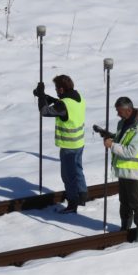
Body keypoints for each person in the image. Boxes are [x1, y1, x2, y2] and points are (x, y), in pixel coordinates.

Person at [34, 74, 89, 213]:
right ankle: (82, 195)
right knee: (78, 169)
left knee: (68, 176)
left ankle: (72, 204)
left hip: (68, 146)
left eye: (57, 89)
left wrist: (41, 96)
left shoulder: (64, 104)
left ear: (61, 90)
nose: (56, 91)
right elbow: (60, 103)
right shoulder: (78, 97)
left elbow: (45, 111)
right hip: (79, 143)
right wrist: (44, 96)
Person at [103, 96, 138, 242]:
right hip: (123, 171)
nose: (117, 114)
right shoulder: (123, 123)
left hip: (134, 173)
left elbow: (131, 151)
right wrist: (110, 137)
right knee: (124, 202)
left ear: (128, 110)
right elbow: (122, 140)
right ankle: (125, 227)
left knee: (136, 204)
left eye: (119, 111)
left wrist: (112, 145)